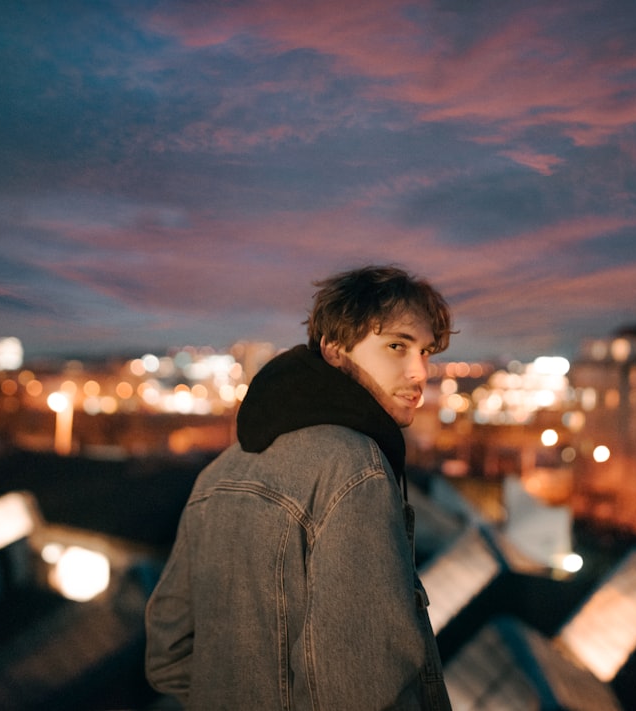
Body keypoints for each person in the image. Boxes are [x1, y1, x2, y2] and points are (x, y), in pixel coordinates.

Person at [145, 265, 454, 710]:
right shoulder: (355, 469)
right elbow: (366, 694)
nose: (420, 372)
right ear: (333, 349)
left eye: (425, 352)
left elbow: (168, 655)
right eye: (395, 347)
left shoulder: (216, 475)